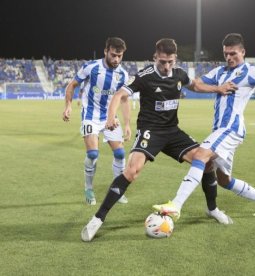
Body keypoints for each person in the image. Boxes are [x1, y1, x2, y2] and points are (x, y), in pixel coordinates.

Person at [81, 38, 237, 242]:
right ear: (155, 57)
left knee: (208, 162)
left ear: (175, 59)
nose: (166, 66)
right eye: (162, 61)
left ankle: (212, 208)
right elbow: (119, 94)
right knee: (131, 170)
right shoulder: (145, 76)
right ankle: (97, 219)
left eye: (170, 62)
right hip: (150, 131)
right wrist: (111, 117)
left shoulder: (180, 73)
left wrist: (218, 88)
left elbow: (196, 86)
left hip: (172, 131)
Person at [153, 33, 255, 222]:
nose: (229, 58)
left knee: (200, 155)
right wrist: (173, 72)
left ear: (243, 52)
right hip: (220, 131)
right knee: (224, 180)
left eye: (233, 54)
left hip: (231, 129)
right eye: (226, 54)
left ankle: (176, 205)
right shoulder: (219, 72)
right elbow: (196, 84)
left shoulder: (251, 72)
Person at [62, 37, 131, 206]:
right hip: (90, 116)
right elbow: (72, 85)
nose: (116, 59)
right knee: (93, 154)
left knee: (120, 154)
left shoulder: (122, 74)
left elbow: (124, 100)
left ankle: (117, 190)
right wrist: (68, 106)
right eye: (113, 55)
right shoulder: (91, 67)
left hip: (110, 117)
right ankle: (89, 189)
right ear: (106, 51)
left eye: (119, 56)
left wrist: (128, 124)